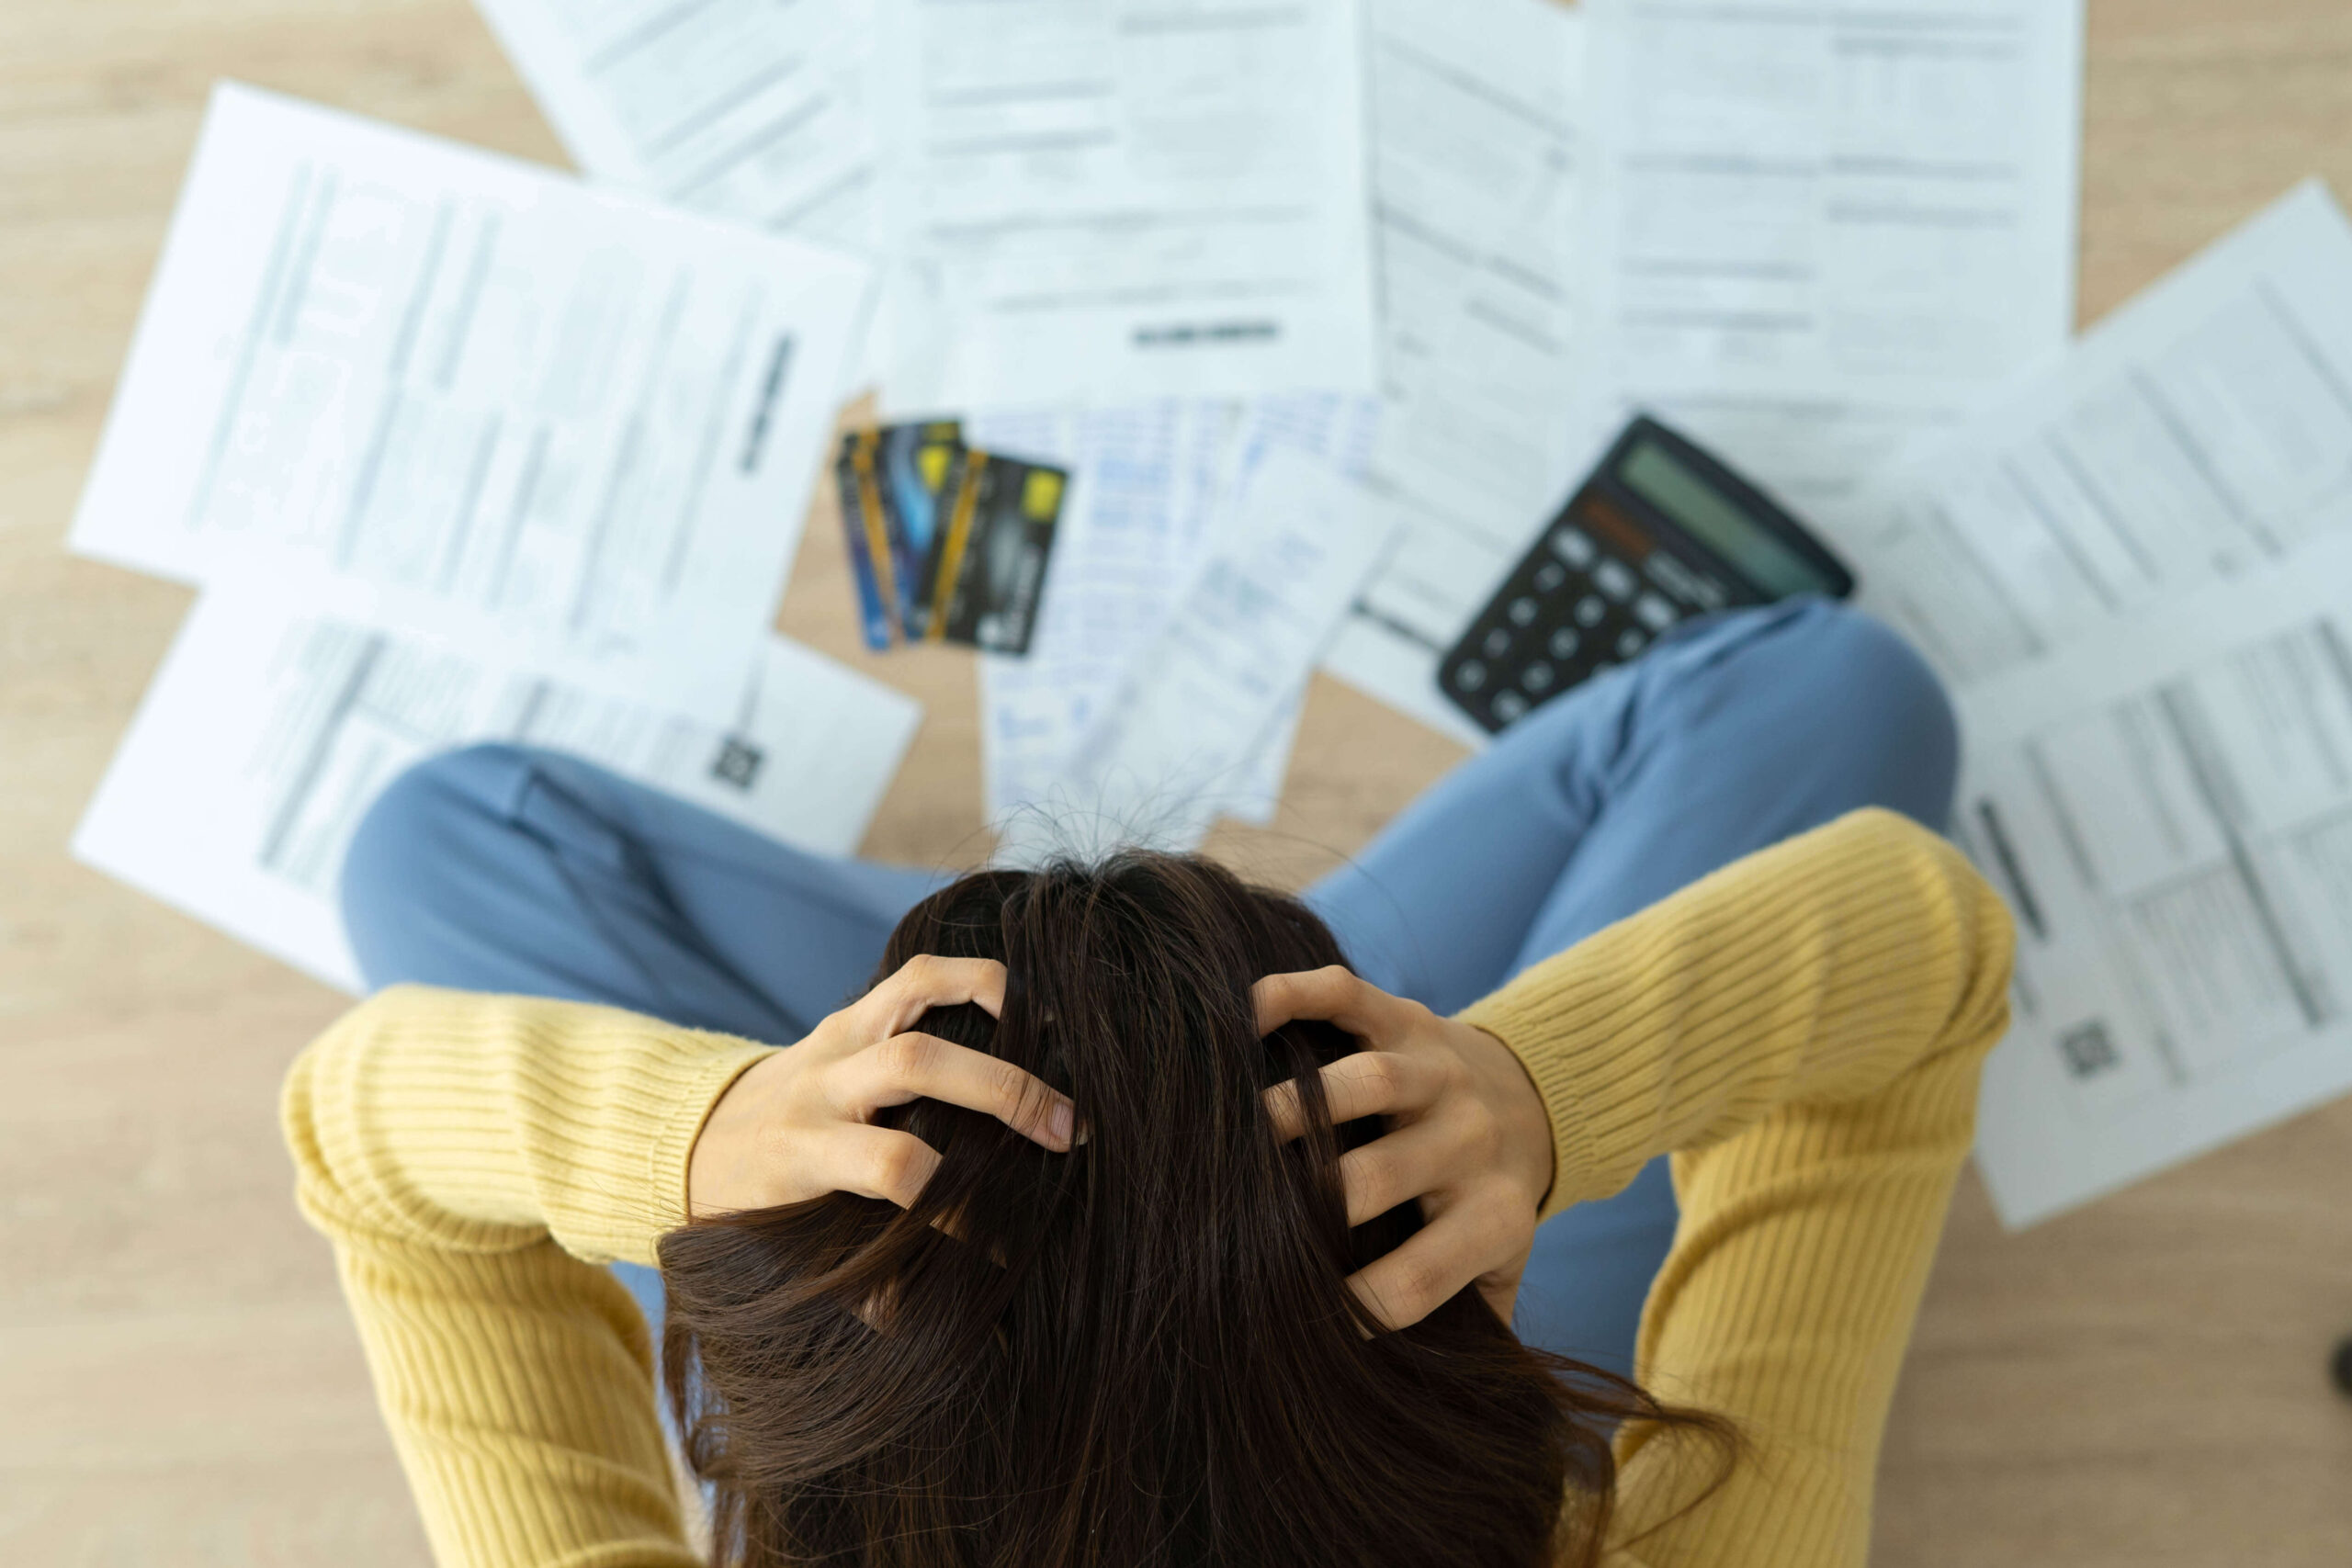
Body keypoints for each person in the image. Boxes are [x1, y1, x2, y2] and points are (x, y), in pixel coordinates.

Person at [281, 599, 2015, 1567]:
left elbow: (366, 1147)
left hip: (1161, 1321)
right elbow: (1926, 954)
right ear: (1485, 1373)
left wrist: (707, 1133)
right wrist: (1533, 1091)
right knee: (1837, 686)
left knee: (443, 840)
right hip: (1349, 1266)